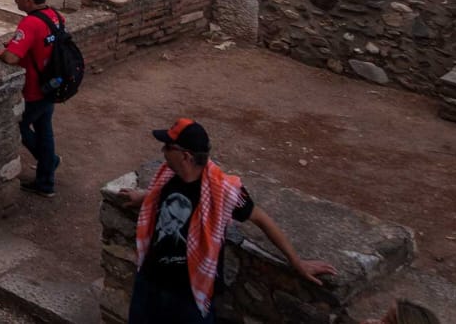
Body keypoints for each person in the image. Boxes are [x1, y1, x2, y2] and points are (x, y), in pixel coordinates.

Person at [117, 119, 336, 323]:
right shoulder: (170, 175)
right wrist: (143, 197)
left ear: (185, 156)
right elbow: (162, 195)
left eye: (168, 147)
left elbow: (262, 219)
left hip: (188, 294)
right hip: (150, 280)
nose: (163, 151)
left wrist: (296, 262)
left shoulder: (221, 191)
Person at [0, 0, 64, 198]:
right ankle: (46, 181)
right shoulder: (55, 16)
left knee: (19, 126)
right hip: (52, 84)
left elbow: (11, 58)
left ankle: (49, 164)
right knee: (45, 130)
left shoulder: (31, 23)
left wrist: (4, 51)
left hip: (34, 89)